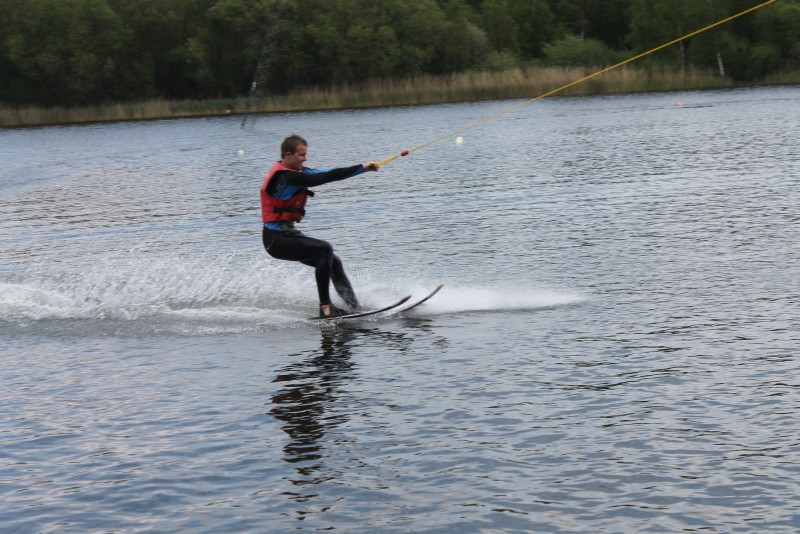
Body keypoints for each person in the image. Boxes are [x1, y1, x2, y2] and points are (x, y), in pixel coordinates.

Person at [261, 134, 379, 318]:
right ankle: (326, 308)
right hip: (275, 240)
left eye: (305, 154)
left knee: (334, 262)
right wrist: (362, 167)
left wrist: (362, 168)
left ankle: (355, 308)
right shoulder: (286, 177)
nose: (305, 158)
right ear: (288, 154)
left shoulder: (296, 172)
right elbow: (326, 177)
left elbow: (328, 172)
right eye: (301, 155)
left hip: (286, 236)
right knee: (324, 250)